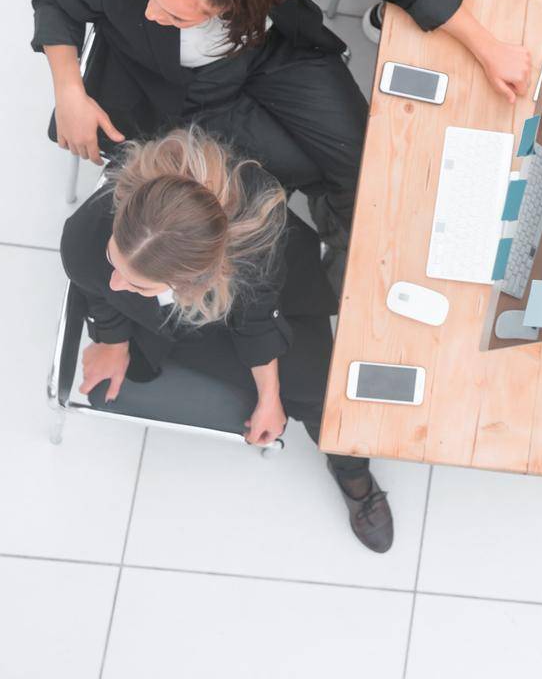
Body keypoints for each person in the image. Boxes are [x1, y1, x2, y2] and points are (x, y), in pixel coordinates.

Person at [33, 0, 531, 239]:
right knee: (305, 171)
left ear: (233, 2)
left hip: (277, 53)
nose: (150, 14)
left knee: (361, 166)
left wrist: (489, 49)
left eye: (175, 15)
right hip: (190, 90)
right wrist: (69, 90)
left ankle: (348, 251)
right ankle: (340, 236)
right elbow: (55, 2)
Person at [62, 127, 395, 552]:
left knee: (318, 390)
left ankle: (351, 470)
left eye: (138, 283)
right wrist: (112, 341)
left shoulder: (251, 243)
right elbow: (97, 286)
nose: (116, 281)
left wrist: (269, 394)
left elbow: (255, 319)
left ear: (197, 282)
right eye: (115, 258)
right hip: (176, 325)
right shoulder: (84, 237)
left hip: (259, 290)